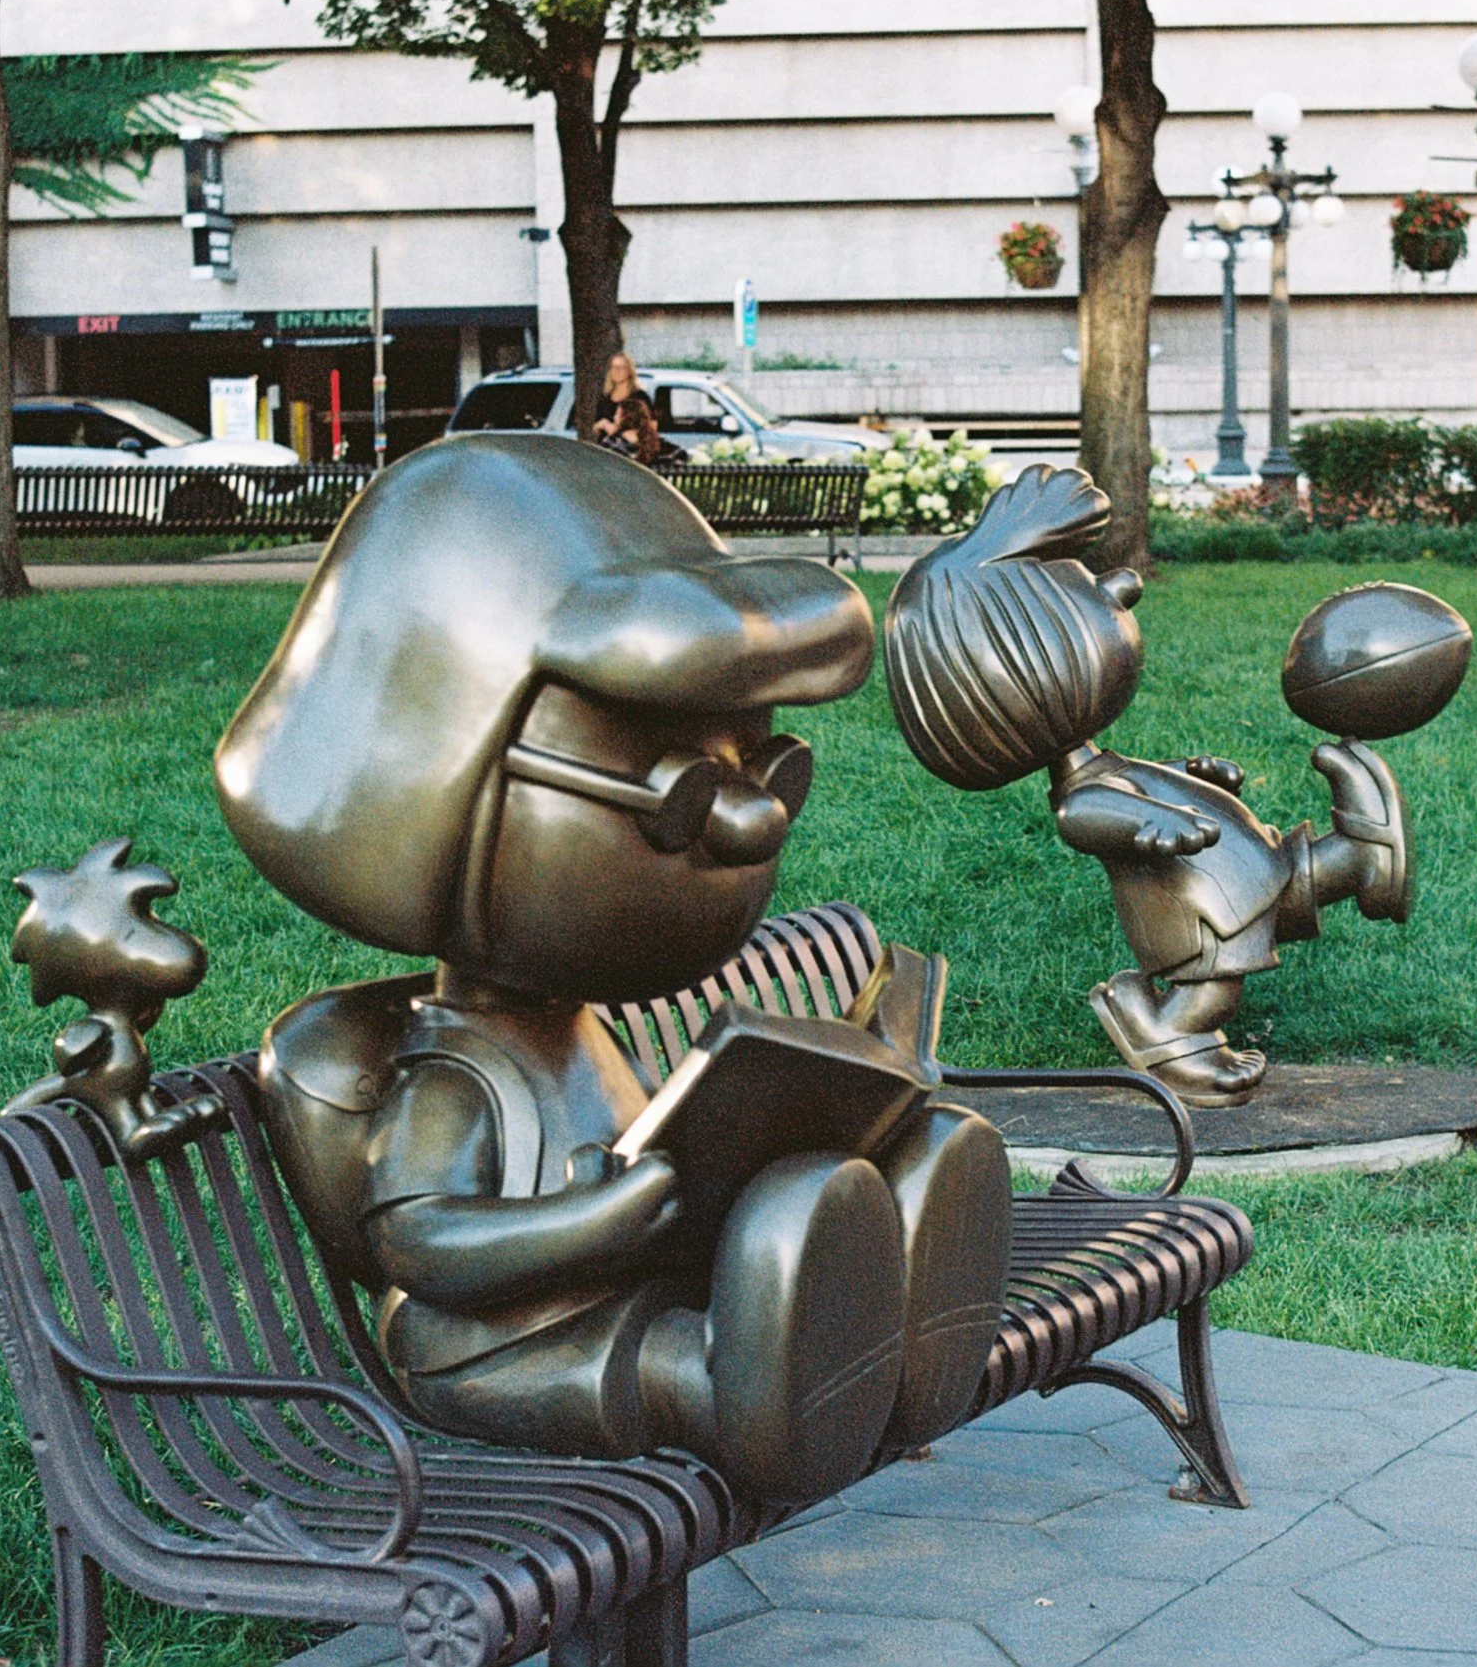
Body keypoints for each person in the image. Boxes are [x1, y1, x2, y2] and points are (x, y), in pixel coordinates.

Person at [214, 433, 1013, 1504]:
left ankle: (895, 1320)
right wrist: (593, 1223)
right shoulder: (452, 1074)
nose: (750, 822)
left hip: (617, 1292)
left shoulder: (578, 1029)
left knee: (821, 1194)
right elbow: (420, 1242)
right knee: (678, 1364)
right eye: (682, 796)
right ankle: (773, 1394)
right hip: (501, 1349)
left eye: (769, 771)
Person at [880, 466, 1421, 1106]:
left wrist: (1194, 779)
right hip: (1191, 907)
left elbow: (1122, 793)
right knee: (1215, 983)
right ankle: (1168, 1035)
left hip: (1223, 877)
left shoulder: (1106, 766)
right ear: (1029, 662)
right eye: (1086, 593)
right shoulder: (1085, 790)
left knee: (1279, 884)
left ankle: (1361, 858)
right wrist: (1151, 823)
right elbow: (1082, 818)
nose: (1123, 586)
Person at [590, 352, 663, 463]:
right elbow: (595, 425)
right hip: (608, 453)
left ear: (629, 370)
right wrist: (600, 425)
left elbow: (652, 426)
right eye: (614, 367)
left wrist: (615, 430)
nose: (617, 371)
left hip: (634, 454)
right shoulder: (604, 398)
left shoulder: (640, 396)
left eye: (621, 367)